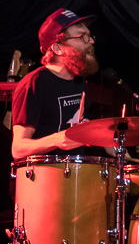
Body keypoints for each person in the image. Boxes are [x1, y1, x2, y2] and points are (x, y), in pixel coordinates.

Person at [11, 9, 98, 160]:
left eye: (89, 36)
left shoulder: (79, 79)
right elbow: (18, 149)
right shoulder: (35, 84)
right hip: (44, 173)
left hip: (76, 170)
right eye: (82, 37)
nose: (90, 41)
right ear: (58, 48)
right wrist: (56, 140)